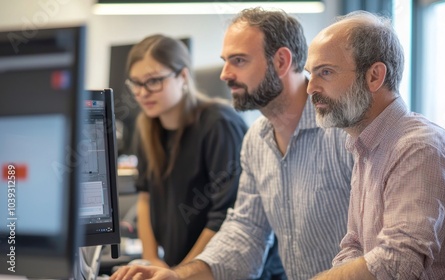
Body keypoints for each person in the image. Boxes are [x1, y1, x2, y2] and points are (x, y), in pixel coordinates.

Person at [111, 7, 353, 280]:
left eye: (238, 60)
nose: (224, 75)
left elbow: (388, 249)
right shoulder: (256, 141)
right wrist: (178, 277)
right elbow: (244, 234)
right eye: (225, 61)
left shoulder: (344, 131)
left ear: (282, 62)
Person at [305, 11, 445, 280]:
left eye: (325, 72)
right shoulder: (364, 145)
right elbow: (354, 245)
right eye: (310, 74)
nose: (310, 88)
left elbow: (399, 262)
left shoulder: (419, 148)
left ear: (374, 76)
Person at [125, 35, 248, 268]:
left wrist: (183, 272)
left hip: (213, 269)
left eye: (153, 81)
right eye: (135, 83)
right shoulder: (145, 127)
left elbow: (224, 216)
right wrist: (151, 260)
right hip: (174, 267)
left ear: (182, 76)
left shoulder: (219, 124)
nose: (142, 93)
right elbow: (144, 197)